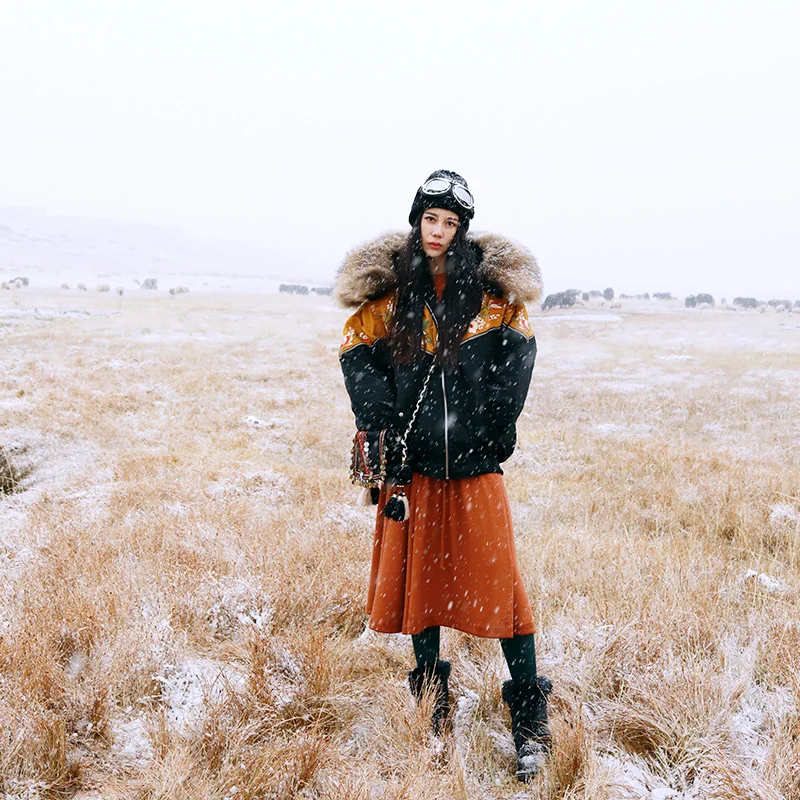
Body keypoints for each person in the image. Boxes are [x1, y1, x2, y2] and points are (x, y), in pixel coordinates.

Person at [336, 170, 551, 782]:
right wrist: (379, 426)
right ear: (416, 220)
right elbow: (356, 353)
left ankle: (530, 719)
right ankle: (432, 710)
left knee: (504, 589)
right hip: (415, 468)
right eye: (430, 219)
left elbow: (520, 359)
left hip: (477, 468)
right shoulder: (387, 299)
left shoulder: (493, 298)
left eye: (450, 223)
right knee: (422, 589)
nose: (438, 232)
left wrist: (493, 425)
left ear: (462, 231)